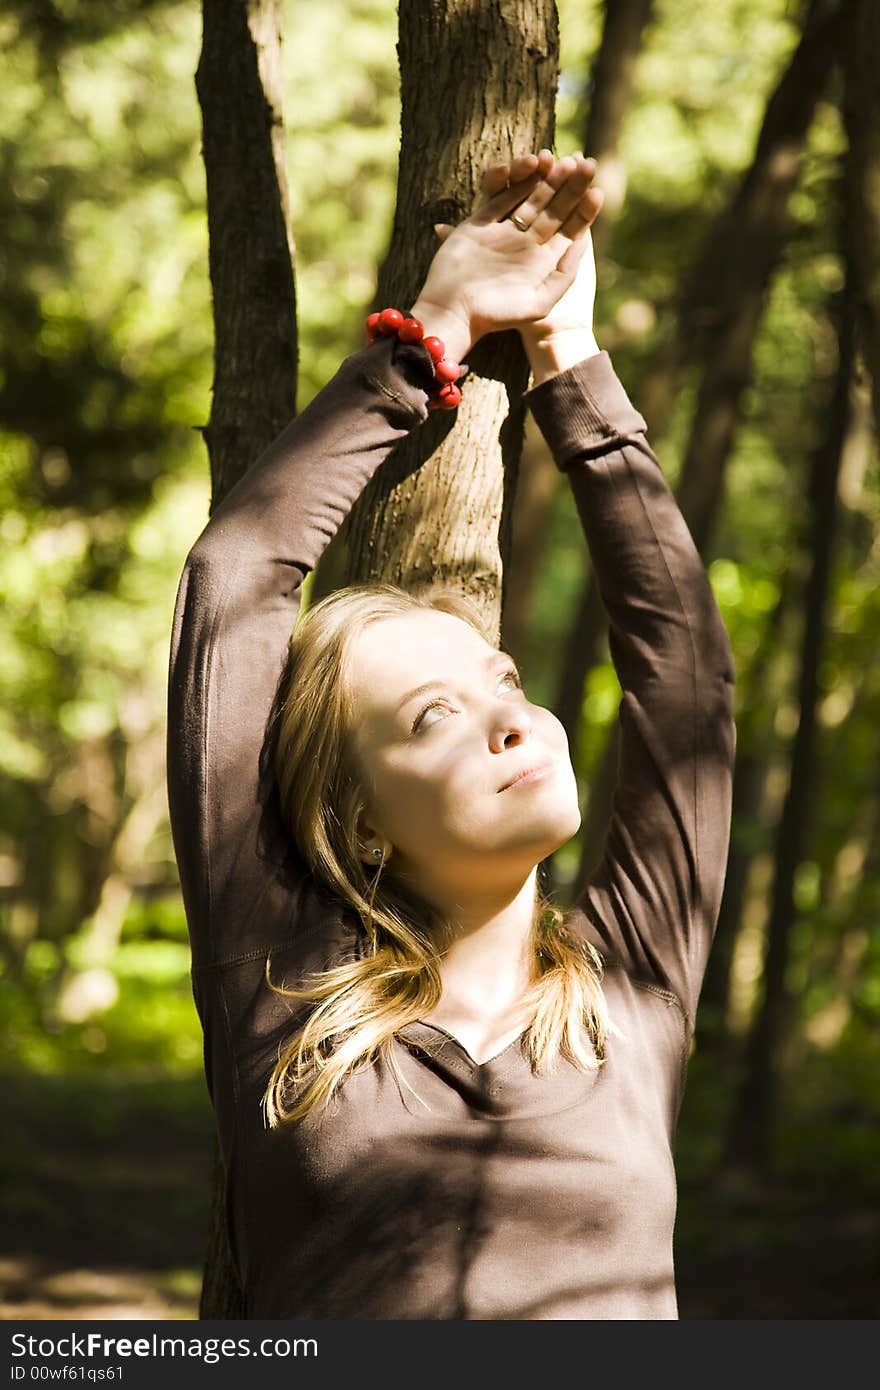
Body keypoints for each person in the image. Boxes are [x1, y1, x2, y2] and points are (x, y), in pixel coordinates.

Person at [167, 149, 737, 1320]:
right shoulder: (284, 994)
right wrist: (429, 332)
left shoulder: (633, 992)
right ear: (360, 824)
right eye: (433, 715)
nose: (509, 718)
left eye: (503, 679)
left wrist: (564, 358)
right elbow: (235, 584)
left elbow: (681, 681)